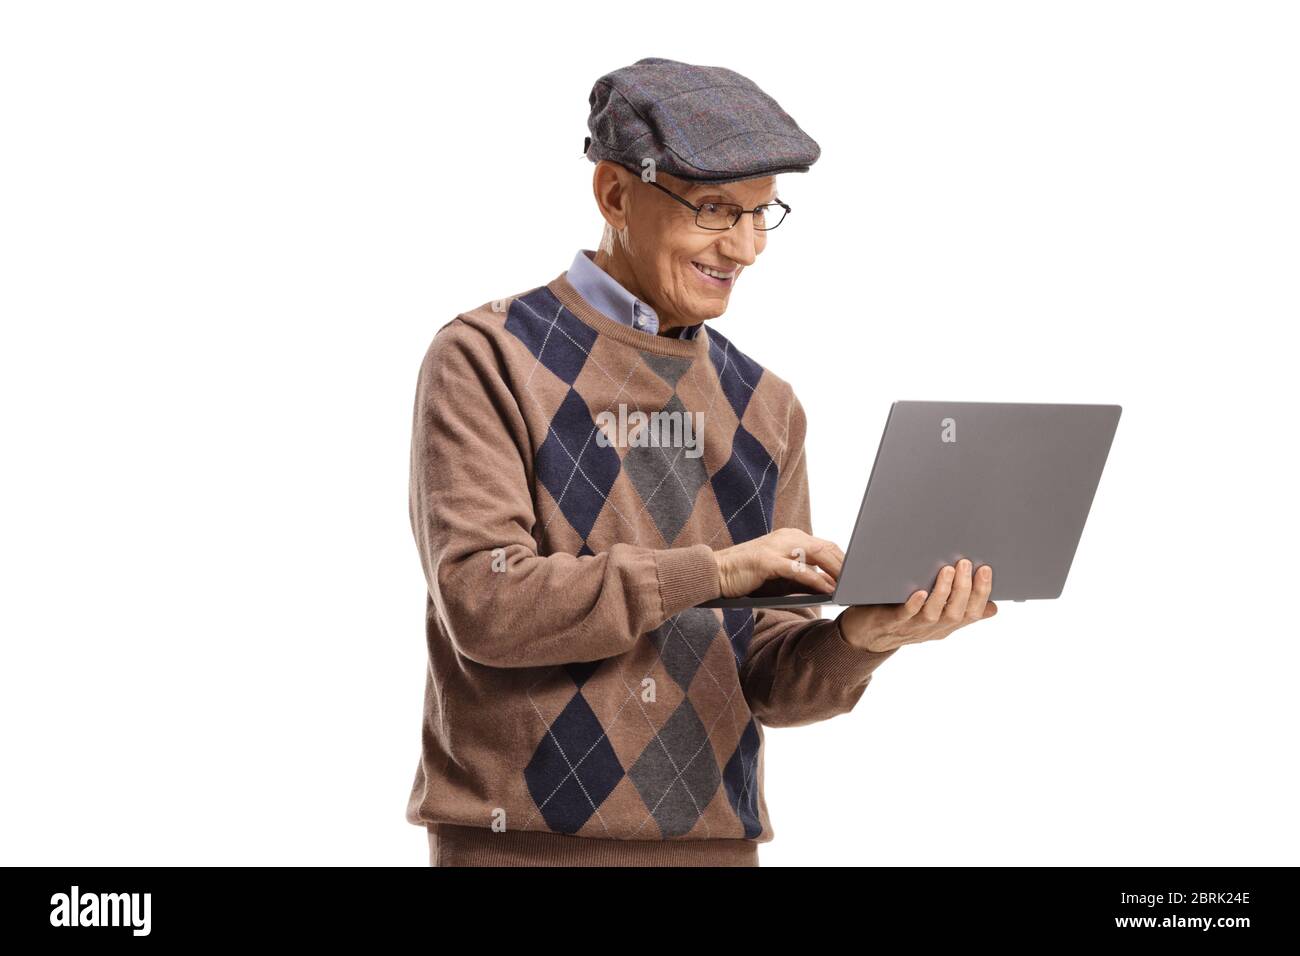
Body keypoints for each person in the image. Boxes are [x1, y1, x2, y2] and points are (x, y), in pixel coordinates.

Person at [405, 57, 998, 867]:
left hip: (719, 848)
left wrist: (865, 638)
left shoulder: (767, 405)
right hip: (520, 852)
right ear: (616, 195)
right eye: (716, 210)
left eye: (762, 214)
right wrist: (714, 571)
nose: (746, 248)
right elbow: (486, 603)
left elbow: (767, 681)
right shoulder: (487, 356)